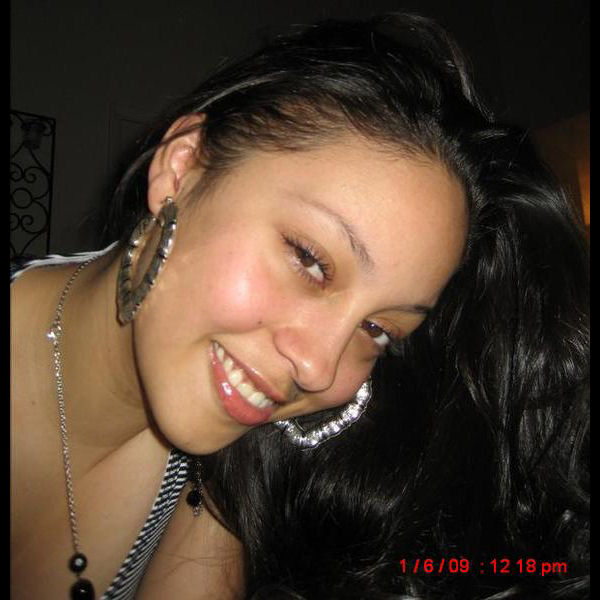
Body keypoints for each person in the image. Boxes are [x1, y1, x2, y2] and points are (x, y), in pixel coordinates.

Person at [10, 12, 589, 600]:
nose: (318, 369)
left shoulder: (220, 477)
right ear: (181, 168)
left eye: (377, 329)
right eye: (310, 259)